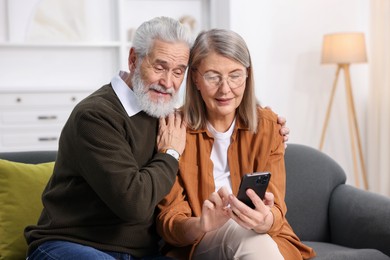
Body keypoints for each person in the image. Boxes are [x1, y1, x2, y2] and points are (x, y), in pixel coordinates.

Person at [24, 17, 289, 259]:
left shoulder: (162, 115)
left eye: (177, 72)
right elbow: (135, 206)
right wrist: (170, 153)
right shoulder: (95, 116)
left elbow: (228, 114)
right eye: (159, 67)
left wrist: (274, 133)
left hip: (140, 252)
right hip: (73, 244)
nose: (167, 82)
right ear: (133, 60)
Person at [156, 29, 316, 260]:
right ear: (195, 78)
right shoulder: (174, 130)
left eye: (235, 75)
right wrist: (202, 224)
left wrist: (264, 220)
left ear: (248, 75)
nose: (225, 89)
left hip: (262, 236)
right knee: (244, 237)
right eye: (213, 76)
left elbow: (277, 210)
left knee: (252, 237)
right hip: (200, 240)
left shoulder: (269, 127)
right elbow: (169, 221)